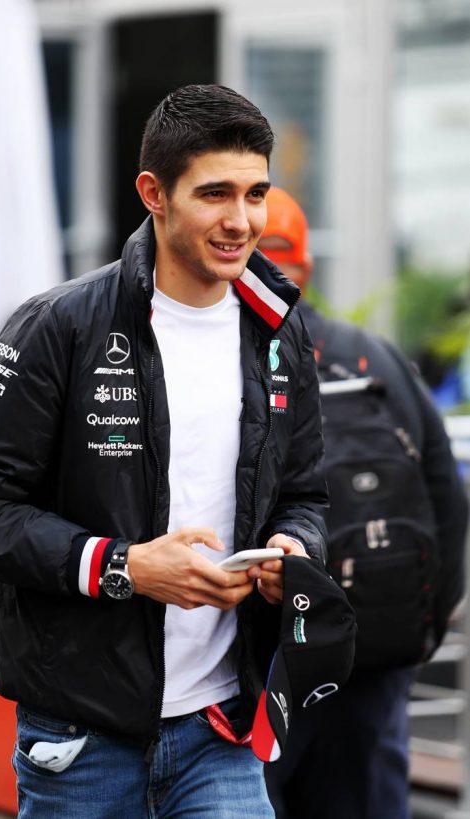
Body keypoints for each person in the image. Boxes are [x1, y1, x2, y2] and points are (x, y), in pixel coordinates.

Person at [0, 86, 329, 818]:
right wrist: (124, 566)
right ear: (154, 193)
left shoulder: (278, 330)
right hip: (81, 738)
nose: (240, 221)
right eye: (214, 193)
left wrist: (290, 548)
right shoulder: (61, 325)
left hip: (223, 730)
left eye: (254, 194)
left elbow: (305, 493)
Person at [259, 187, 468, 819]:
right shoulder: (375, 358)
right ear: (307, 268)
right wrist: (418, 633)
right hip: (375, 649)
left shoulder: (229, 362)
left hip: (266, 661)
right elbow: (447, 501)